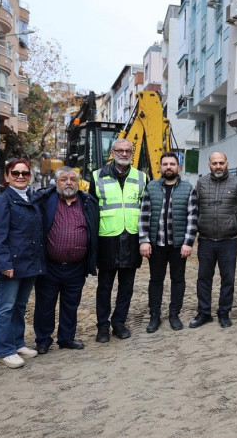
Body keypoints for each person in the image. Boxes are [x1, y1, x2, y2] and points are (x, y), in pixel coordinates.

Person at [33, 166, 99, 354]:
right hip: (50, 265)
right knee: (45, 305)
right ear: (56, 182)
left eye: (72, 179)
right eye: (64, 179)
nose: (68, 182)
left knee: (71, 304)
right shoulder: (45, 200)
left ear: (78, 182)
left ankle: (66, 338)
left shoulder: (87, 202)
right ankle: (43, 340)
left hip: (76, 266)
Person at [0, 158, 44, 368]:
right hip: (10, 265)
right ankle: (4, 350)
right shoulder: (2, 202)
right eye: (15, 173)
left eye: (25, 173)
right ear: (6, 176)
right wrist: (4, 264)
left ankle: (17, 343)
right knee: (5, 307)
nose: (20, 177)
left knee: (19, 306)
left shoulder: (31, 199)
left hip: (29, 263)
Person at [89, 138, 147, 342]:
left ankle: (119, 323)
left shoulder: (141, 177)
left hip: (131, 237)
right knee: (104, 286)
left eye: (128, 151)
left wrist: (144, 239)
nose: (124, 154)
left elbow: (145, 210)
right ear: (112, 152)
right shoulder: (97, 176)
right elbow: (91, 211)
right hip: (107, 239)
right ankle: (102, 326)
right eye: (120, 150)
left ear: (132, 153)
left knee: (127, 286)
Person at [139, 152, 198, 333]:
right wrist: (144, 240)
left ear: (178, 167)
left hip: (178, 245)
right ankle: (154, 315)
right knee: (155, 280)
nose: (169, 167)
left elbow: (193, 217)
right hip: (156, 244)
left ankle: (174, 314)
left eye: (172, 164)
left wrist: (188, 242)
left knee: (177, 280)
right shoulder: (151, 187)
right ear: (160, 167)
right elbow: (144, 215)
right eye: (165, 164)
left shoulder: (188, 188)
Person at [190, 152, 237, 329]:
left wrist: (235, 224)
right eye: (214, 163)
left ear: (226, 164)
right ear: (209, 165)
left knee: (228, 278)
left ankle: (224, 313)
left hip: (229, 240)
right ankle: (204, 313)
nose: (218, 166)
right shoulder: (201, 183)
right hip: (206, 240)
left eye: (221, 163)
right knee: (204, 278)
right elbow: (195, 207)